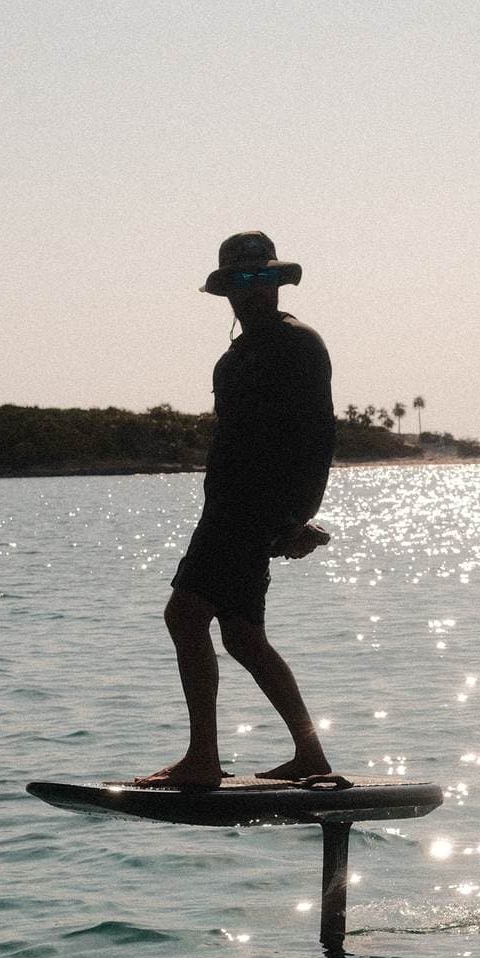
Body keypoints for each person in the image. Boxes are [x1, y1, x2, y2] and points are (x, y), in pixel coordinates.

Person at [135, 231, 337, 788]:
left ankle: (202, 759)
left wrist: (296, 517)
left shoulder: (297, 344)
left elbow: (317, 437)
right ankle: (311, 755)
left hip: (250, 511)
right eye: (242, 280)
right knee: (243, 636)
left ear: (278, 282)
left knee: (184, 615)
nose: (254, 289)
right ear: (227, 290)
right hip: (228, 507)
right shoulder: (234, 358)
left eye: (263, 277)